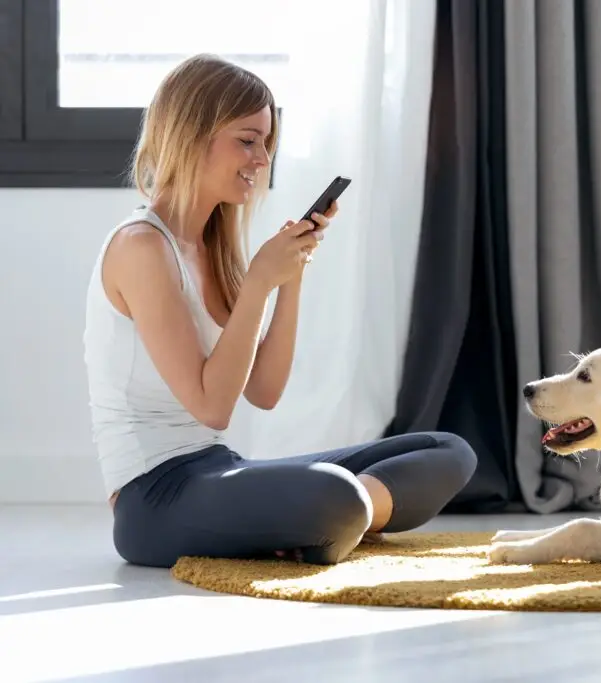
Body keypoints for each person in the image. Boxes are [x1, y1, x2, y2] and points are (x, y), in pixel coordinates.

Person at [83, 54, 478, 569]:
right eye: (247, 140)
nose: (263, 159)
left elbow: (264, 392)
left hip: (216, 470)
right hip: (152, 500)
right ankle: (333, 515)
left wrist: (289, 279)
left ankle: (332, 520)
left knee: (448, 451)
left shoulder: (209, 248)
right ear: (189, 134)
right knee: (332, 493)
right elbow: (212, 407)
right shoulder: (141, 248)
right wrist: (260, 283)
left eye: (267, 143)